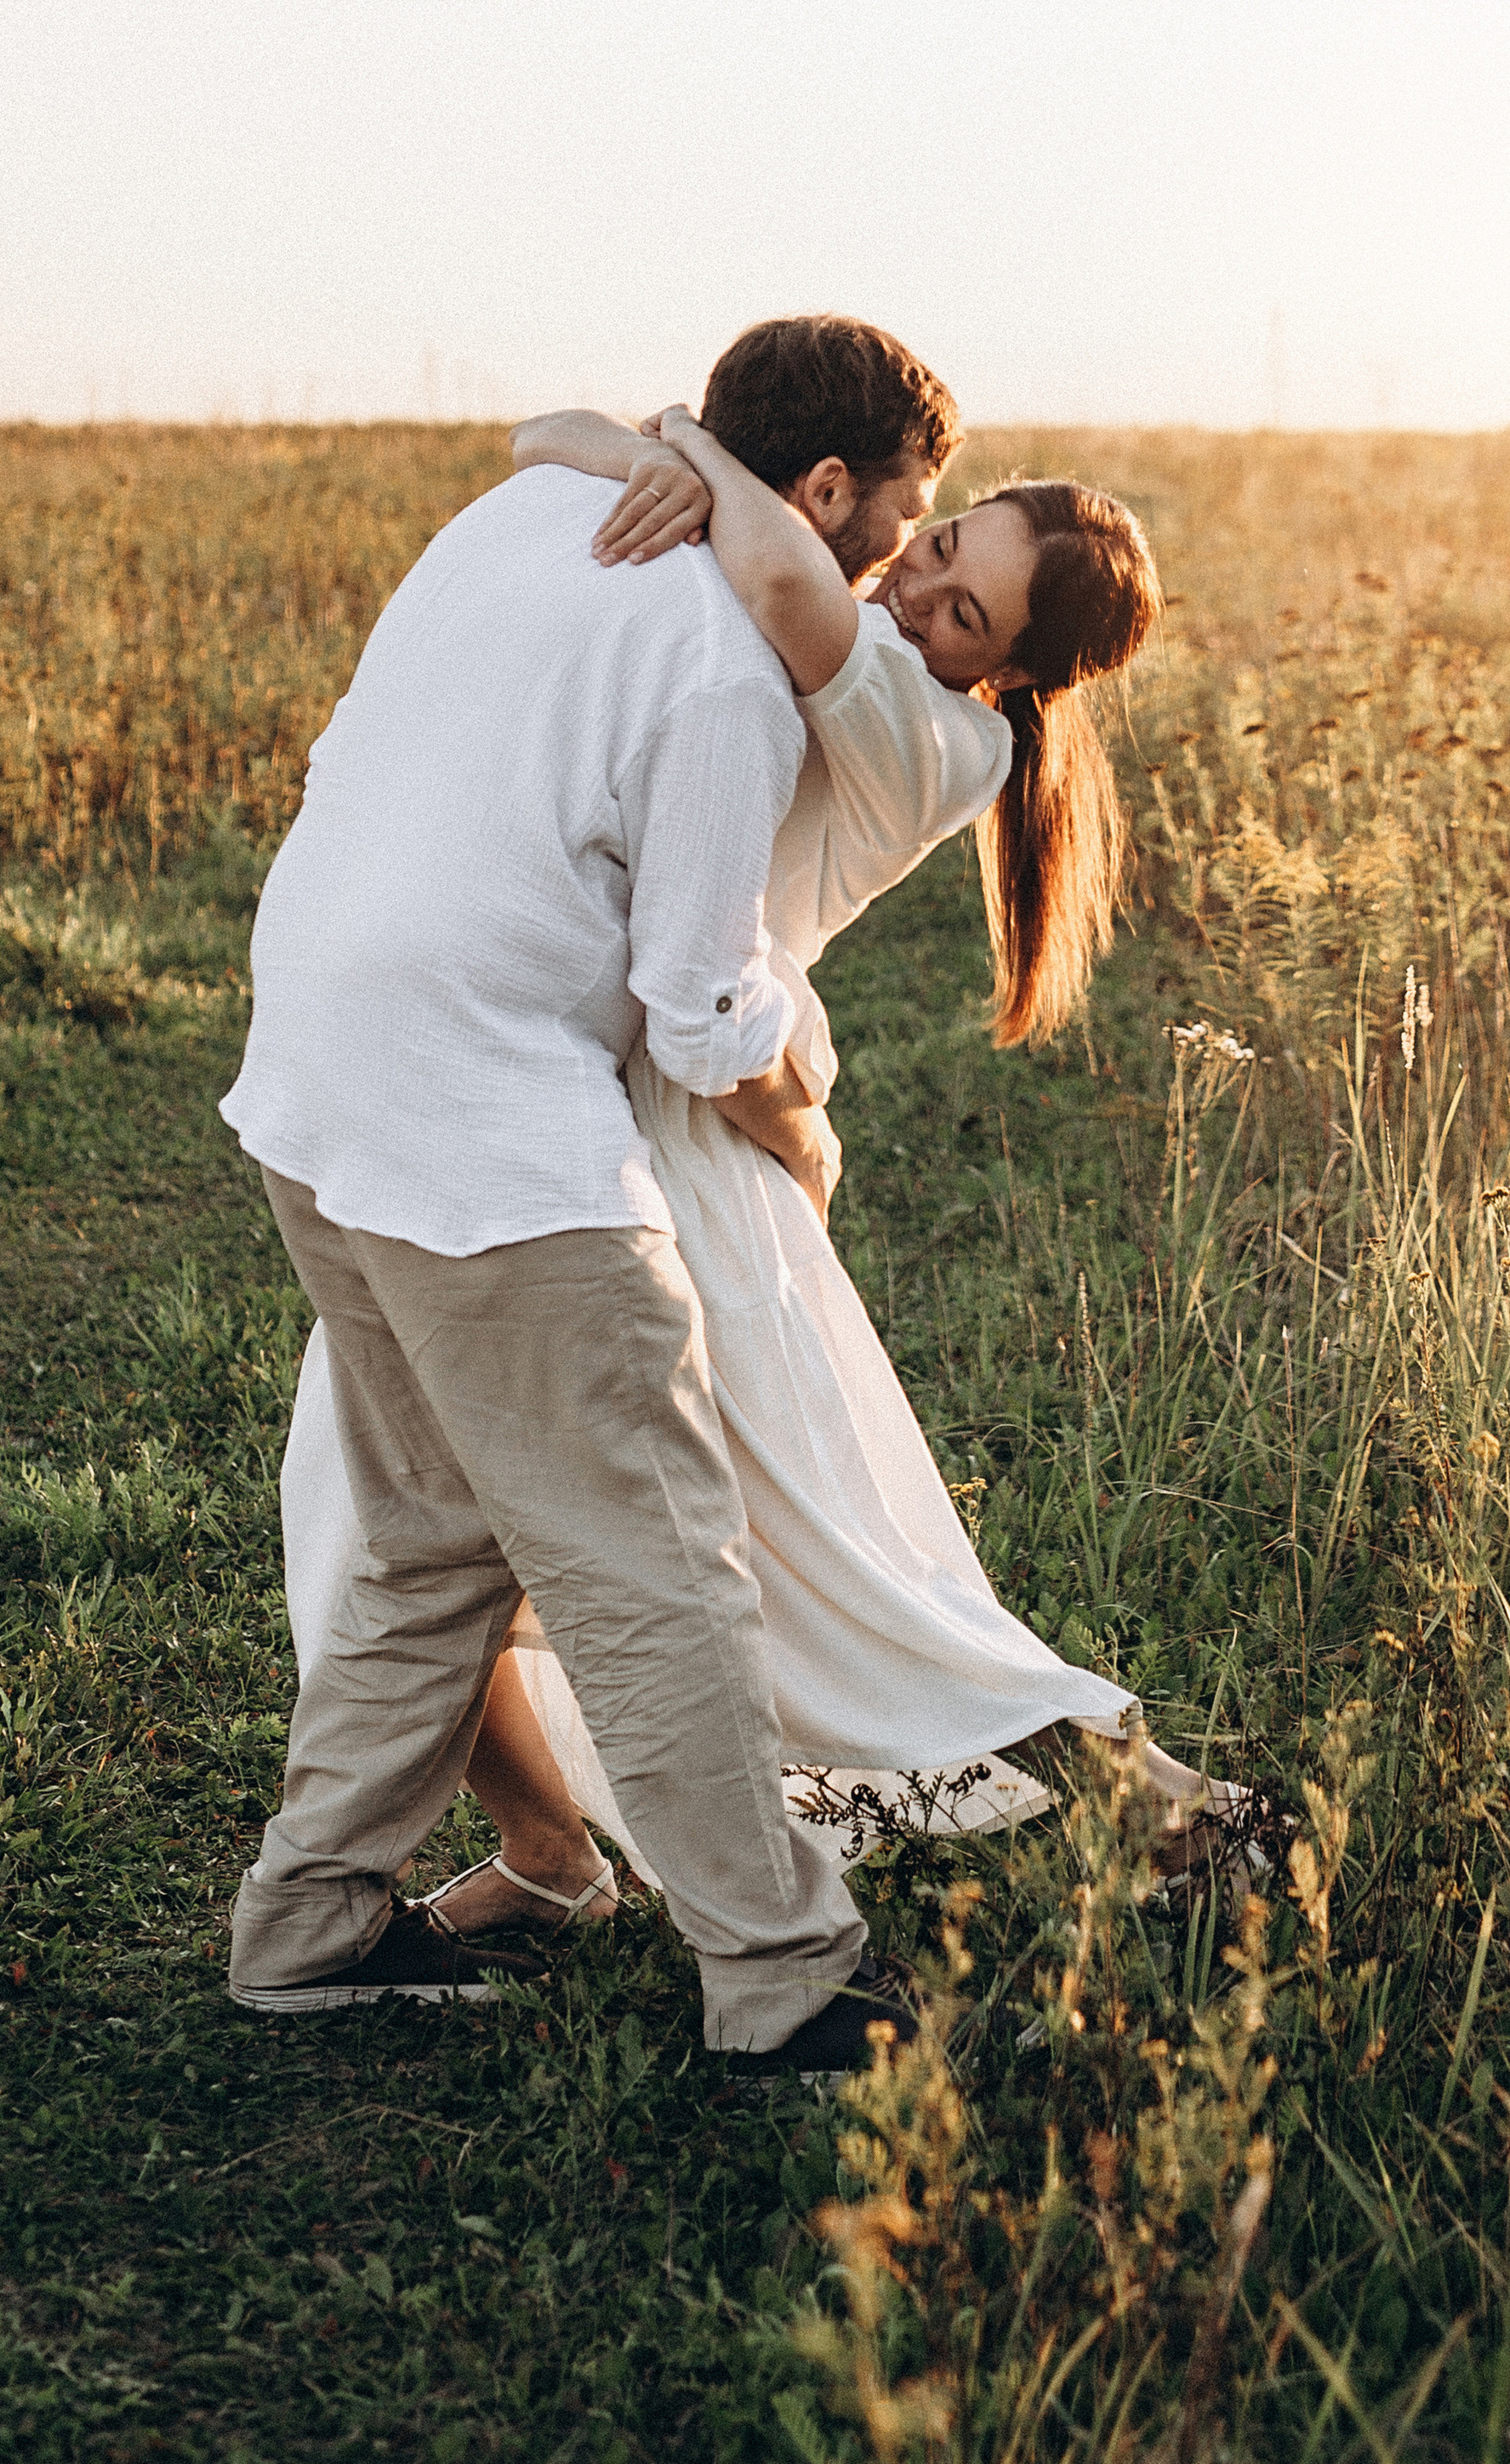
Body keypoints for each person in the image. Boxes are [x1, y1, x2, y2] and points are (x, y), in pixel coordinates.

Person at [280, 328, 1236, 1952]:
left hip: (684, 1140)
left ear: (1009, 675)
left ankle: (1172, 1809)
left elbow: (792, 585)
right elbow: (547, 434)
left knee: (825, 1589)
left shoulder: (934, 729)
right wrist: (657, 445)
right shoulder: (770, 591)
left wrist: (692, 456)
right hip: (547, 1106)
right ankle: (549, 1851)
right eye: (939, 542)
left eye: (966, 608)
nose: (917, 589)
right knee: (368, 1523)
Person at [219, 316, 961, 2079]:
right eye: (907, 512)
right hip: (483, 1130)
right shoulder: (724, 672)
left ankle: (309, 1925)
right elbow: (695, 1009)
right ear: (829, 488)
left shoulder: (519, 515)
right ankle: (782, 1978)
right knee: (658, 1563)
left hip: (311, 1074)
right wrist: (805, 1113)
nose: (895, 553)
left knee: (429, 1526)